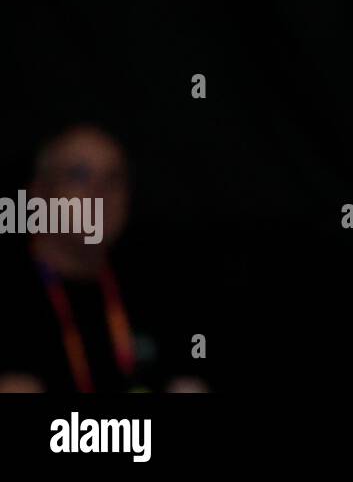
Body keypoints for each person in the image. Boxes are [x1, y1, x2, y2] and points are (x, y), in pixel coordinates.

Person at [0, 123, 209, 393]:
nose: (99, 192)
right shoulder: (9, 291)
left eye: (113, 179)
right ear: (38, 193)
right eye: (79, 175)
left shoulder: (159, 289)